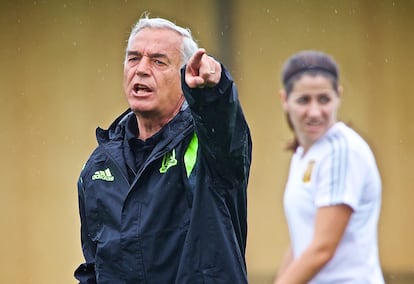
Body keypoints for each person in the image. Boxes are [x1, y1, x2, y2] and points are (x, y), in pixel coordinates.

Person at [74, 15, 252, 284]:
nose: (142, 69)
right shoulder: (98, 167)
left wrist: (213, 93)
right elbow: (95, 266)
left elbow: (226, 134)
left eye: (158, 61)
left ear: (185, 76)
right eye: (133, 58)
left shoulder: (208, 144)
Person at [274, 50, 384, 283]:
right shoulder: (304, 153)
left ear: (338, 96)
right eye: (304, 100)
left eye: (323, 99)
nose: (315, 112)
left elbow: (322, 249)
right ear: (285, 100)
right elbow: (301, 244)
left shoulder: (341, 151)